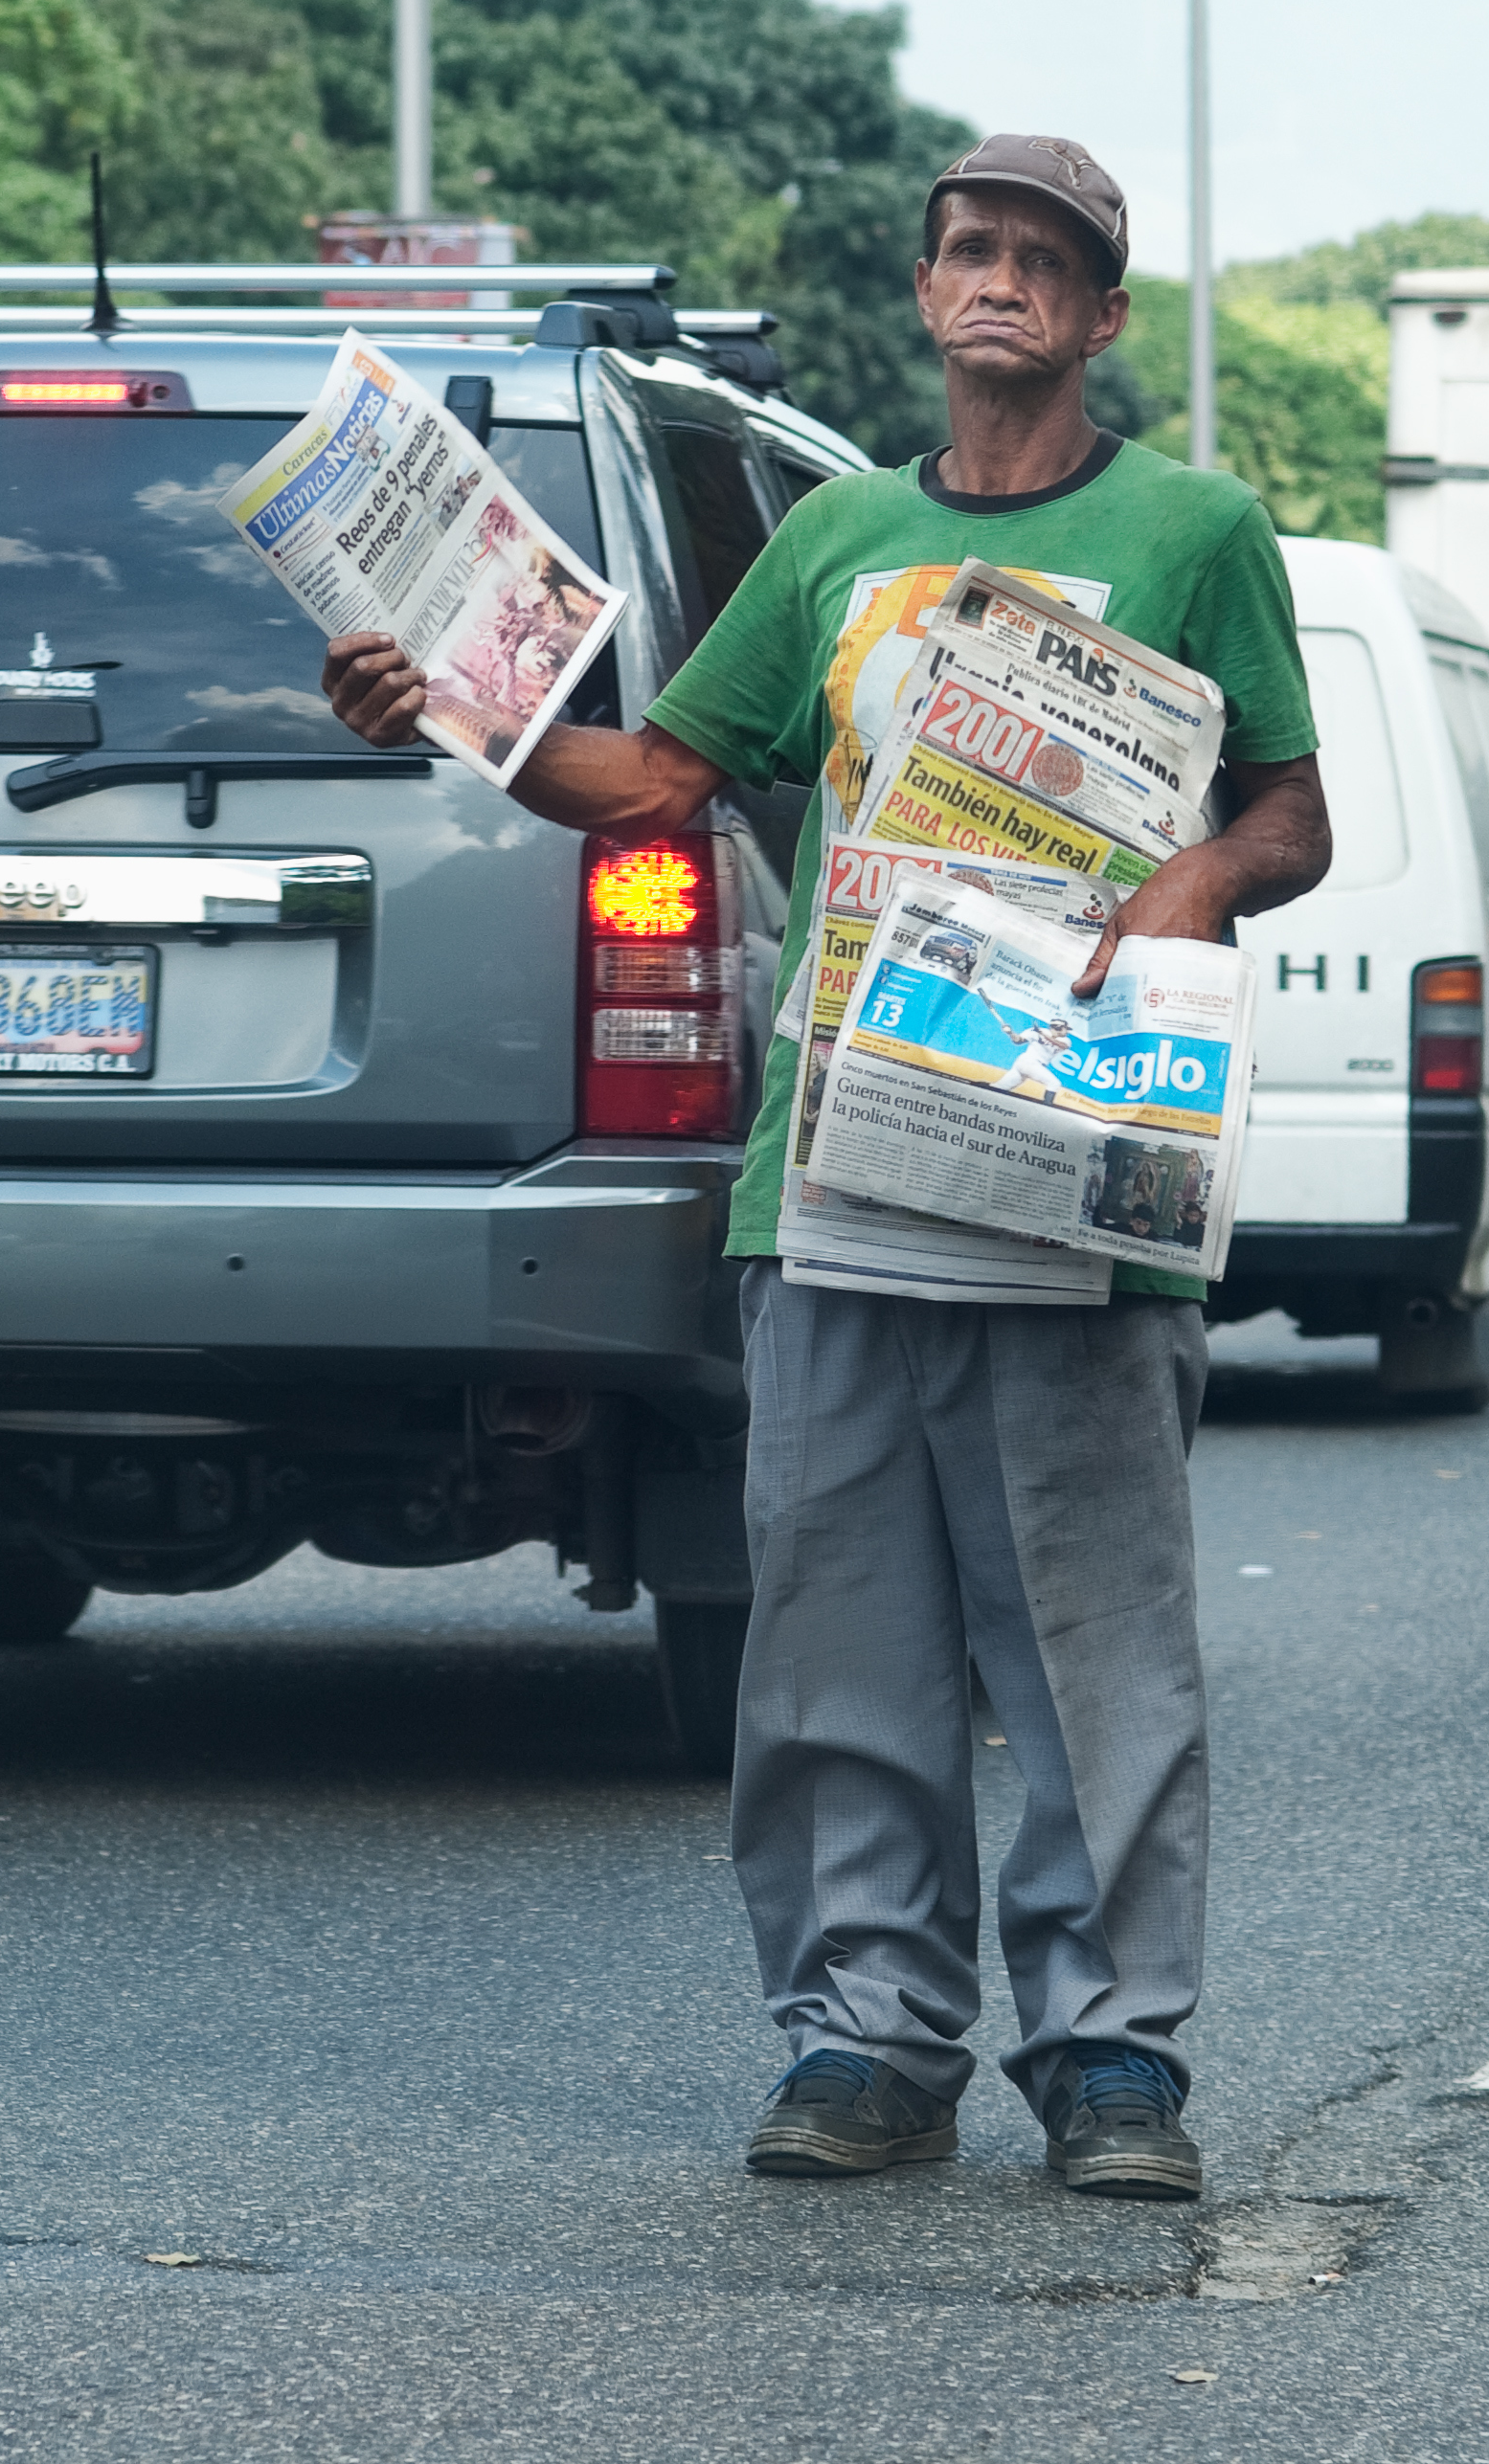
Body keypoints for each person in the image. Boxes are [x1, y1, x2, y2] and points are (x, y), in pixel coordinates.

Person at [322, 132, 1329, 2199]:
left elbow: (1298, 814)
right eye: (970, 247)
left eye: (1044, 259)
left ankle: (1114, 2058)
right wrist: (450, 716)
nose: (999, 281)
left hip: (1079, 1163)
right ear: (928, 283)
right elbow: (656, 778)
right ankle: (866, 2038)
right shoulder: (844, 543)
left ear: (1102, 313)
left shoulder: (1197, 526)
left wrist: (1198, 885)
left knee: (1088, 1640)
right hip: (842, 1169)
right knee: (839, 1634)